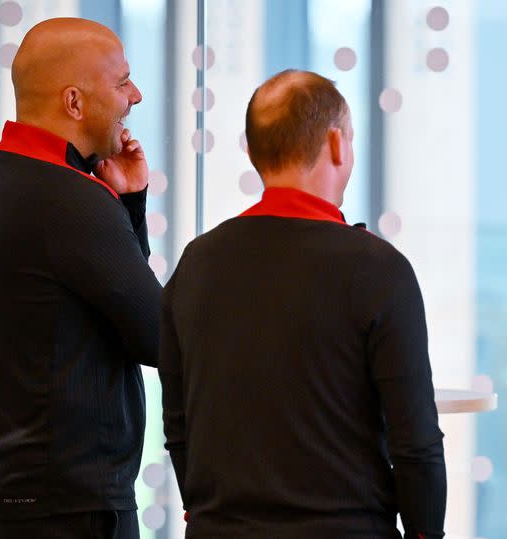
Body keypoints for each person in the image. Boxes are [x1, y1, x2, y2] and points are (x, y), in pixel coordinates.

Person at [159, 69, 446, 538]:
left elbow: (179, 427)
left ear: (252, 152)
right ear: (337, 144)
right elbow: (416, 446)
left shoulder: (196, 263)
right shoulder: (379, 269)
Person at [0, 18, 162, 539]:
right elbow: (159, 336)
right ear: (74, 102)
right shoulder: (72, 202)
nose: (135, 96)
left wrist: (126, 204)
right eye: (122, 83)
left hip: (4, 493)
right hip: (68, 503)